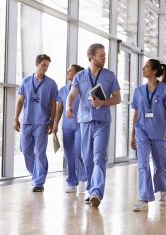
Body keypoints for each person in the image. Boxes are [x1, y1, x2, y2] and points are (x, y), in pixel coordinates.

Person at [66, 43, 121, 207]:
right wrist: (69, 107)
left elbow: (117, 98)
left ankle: (97, 191)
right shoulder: (80, 76)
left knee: (98, 157)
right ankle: (91, 190)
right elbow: (72, 94)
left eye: (104, 55)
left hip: (102, 122)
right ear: (91, 56)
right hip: (85, 121)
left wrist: (103, 102)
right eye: (101, 55)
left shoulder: (110, 76)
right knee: (87, 158)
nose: (104, 58)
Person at [131, 59, 166, 211]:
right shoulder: (138, 91)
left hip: (159, 132)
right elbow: (136, 113)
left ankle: (163, 191)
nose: (143, 69)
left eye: (146, 67)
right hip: (142, 131)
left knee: (161, 164)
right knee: (143, 164)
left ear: (153, 71)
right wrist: (133, 134)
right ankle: (144, 198)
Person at [13, 54, 58, 192]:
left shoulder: (51, 83)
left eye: (47, 66)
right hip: (27, 121)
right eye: (43, 65)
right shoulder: (26, 82)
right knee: (26, 150)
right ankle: (36, 174)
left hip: (42, 122)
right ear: (37, 64)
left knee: (40, 152)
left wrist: (52, 121)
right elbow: (20, 101)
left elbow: (53, 105)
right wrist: (16, 118)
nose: (45, 68)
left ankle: (39, 181)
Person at [53, 64, 87, 193]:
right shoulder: (62, 90)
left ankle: (83, 179)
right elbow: (59, 108)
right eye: (67, 70)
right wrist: (55, 123)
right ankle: (72, 182)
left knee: (78, 151)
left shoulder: (83, 89)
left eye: (70, 71)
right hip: (67, 127)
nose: (67, 72)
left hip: (80, 125)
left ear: (78, 74)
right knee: (68, 154)